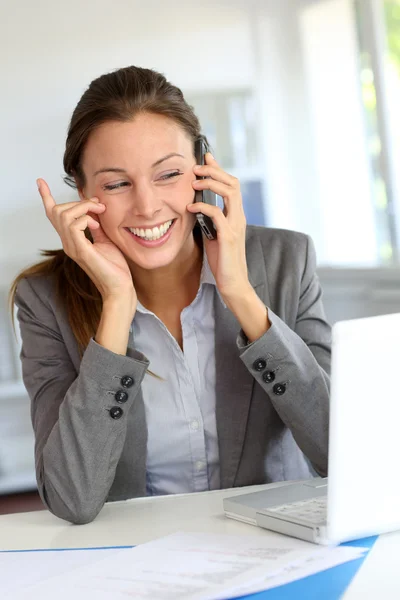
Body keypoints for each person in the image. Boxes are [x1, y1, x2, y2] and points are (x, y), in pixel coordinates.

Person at [10, 65, 331, 525]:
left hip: (273, 551)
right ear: (81, 194)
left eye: (168, 174)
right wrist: (117, 305)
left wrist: (240, 294)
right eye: (116, 183)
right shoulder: (44, 300)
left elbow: (340, 455)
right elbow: (72, 499)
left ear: (204, 170)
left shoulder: (286, 259)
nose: (146, 205)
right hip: (136, 564)